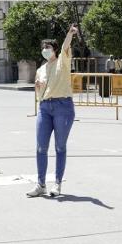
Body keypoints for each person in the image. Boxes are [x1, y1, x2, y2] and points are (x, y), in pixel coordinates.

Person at [29, 25, 79, 199]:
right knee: (41, 147)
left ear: (55, 50)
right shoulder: (40, 69)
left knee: (60, 146)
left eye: (48, 47)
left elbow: (66, 47)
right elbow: (39, 91)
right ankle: (41, 184)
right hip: (44, 107)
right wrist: (37, 88)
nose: (45, 50)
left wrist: (70, 34)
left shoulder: (62, 61)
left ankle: (57, 183)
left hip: (62, 107)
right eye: (43, 48)